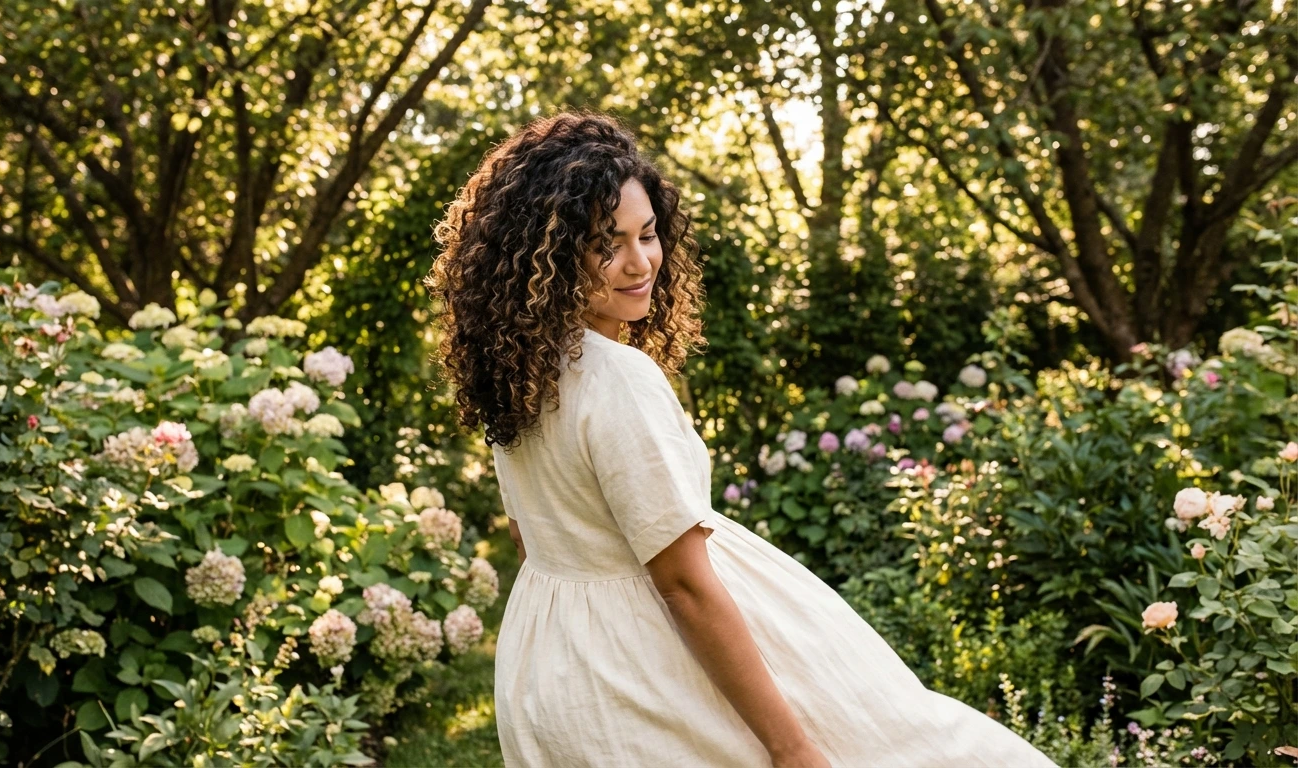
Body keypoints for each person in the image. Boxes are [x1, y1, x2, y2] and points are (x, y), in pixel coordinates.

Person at [423, 109, 1057, 768]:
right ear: (554, 254)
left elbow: (530, 537)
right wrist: (791, 748)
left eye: (647, 234)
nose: (639, 263)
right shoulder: (616, 379)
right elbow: (684, 586)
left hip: (551, 664)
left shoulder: (520, 371)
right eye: (605, 244)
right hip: (632, 669)